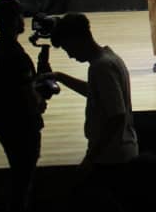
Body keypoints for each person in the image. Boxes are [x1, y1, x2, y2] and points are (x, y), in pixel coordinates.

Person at [0, 0, 44, 212]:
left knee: (18, 173)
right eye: (19, 15)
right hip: (20, 124)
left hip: (1, 122)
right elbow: (27, 95)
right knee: (23, 177)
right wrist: (40, 102)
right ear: (14, 20)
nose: (23, 20)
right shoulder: (16, 55)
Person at [47, 14, 138, 175]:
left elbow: (117, 116)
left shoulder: (101, 67)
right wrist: (59, 77)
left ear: (77, 40)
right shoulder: (109, 58)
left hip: (112, 158)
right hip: (120, 151)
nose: (70, 55)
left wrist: (91, 157)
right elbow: (97, 92)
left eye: (68, 48)